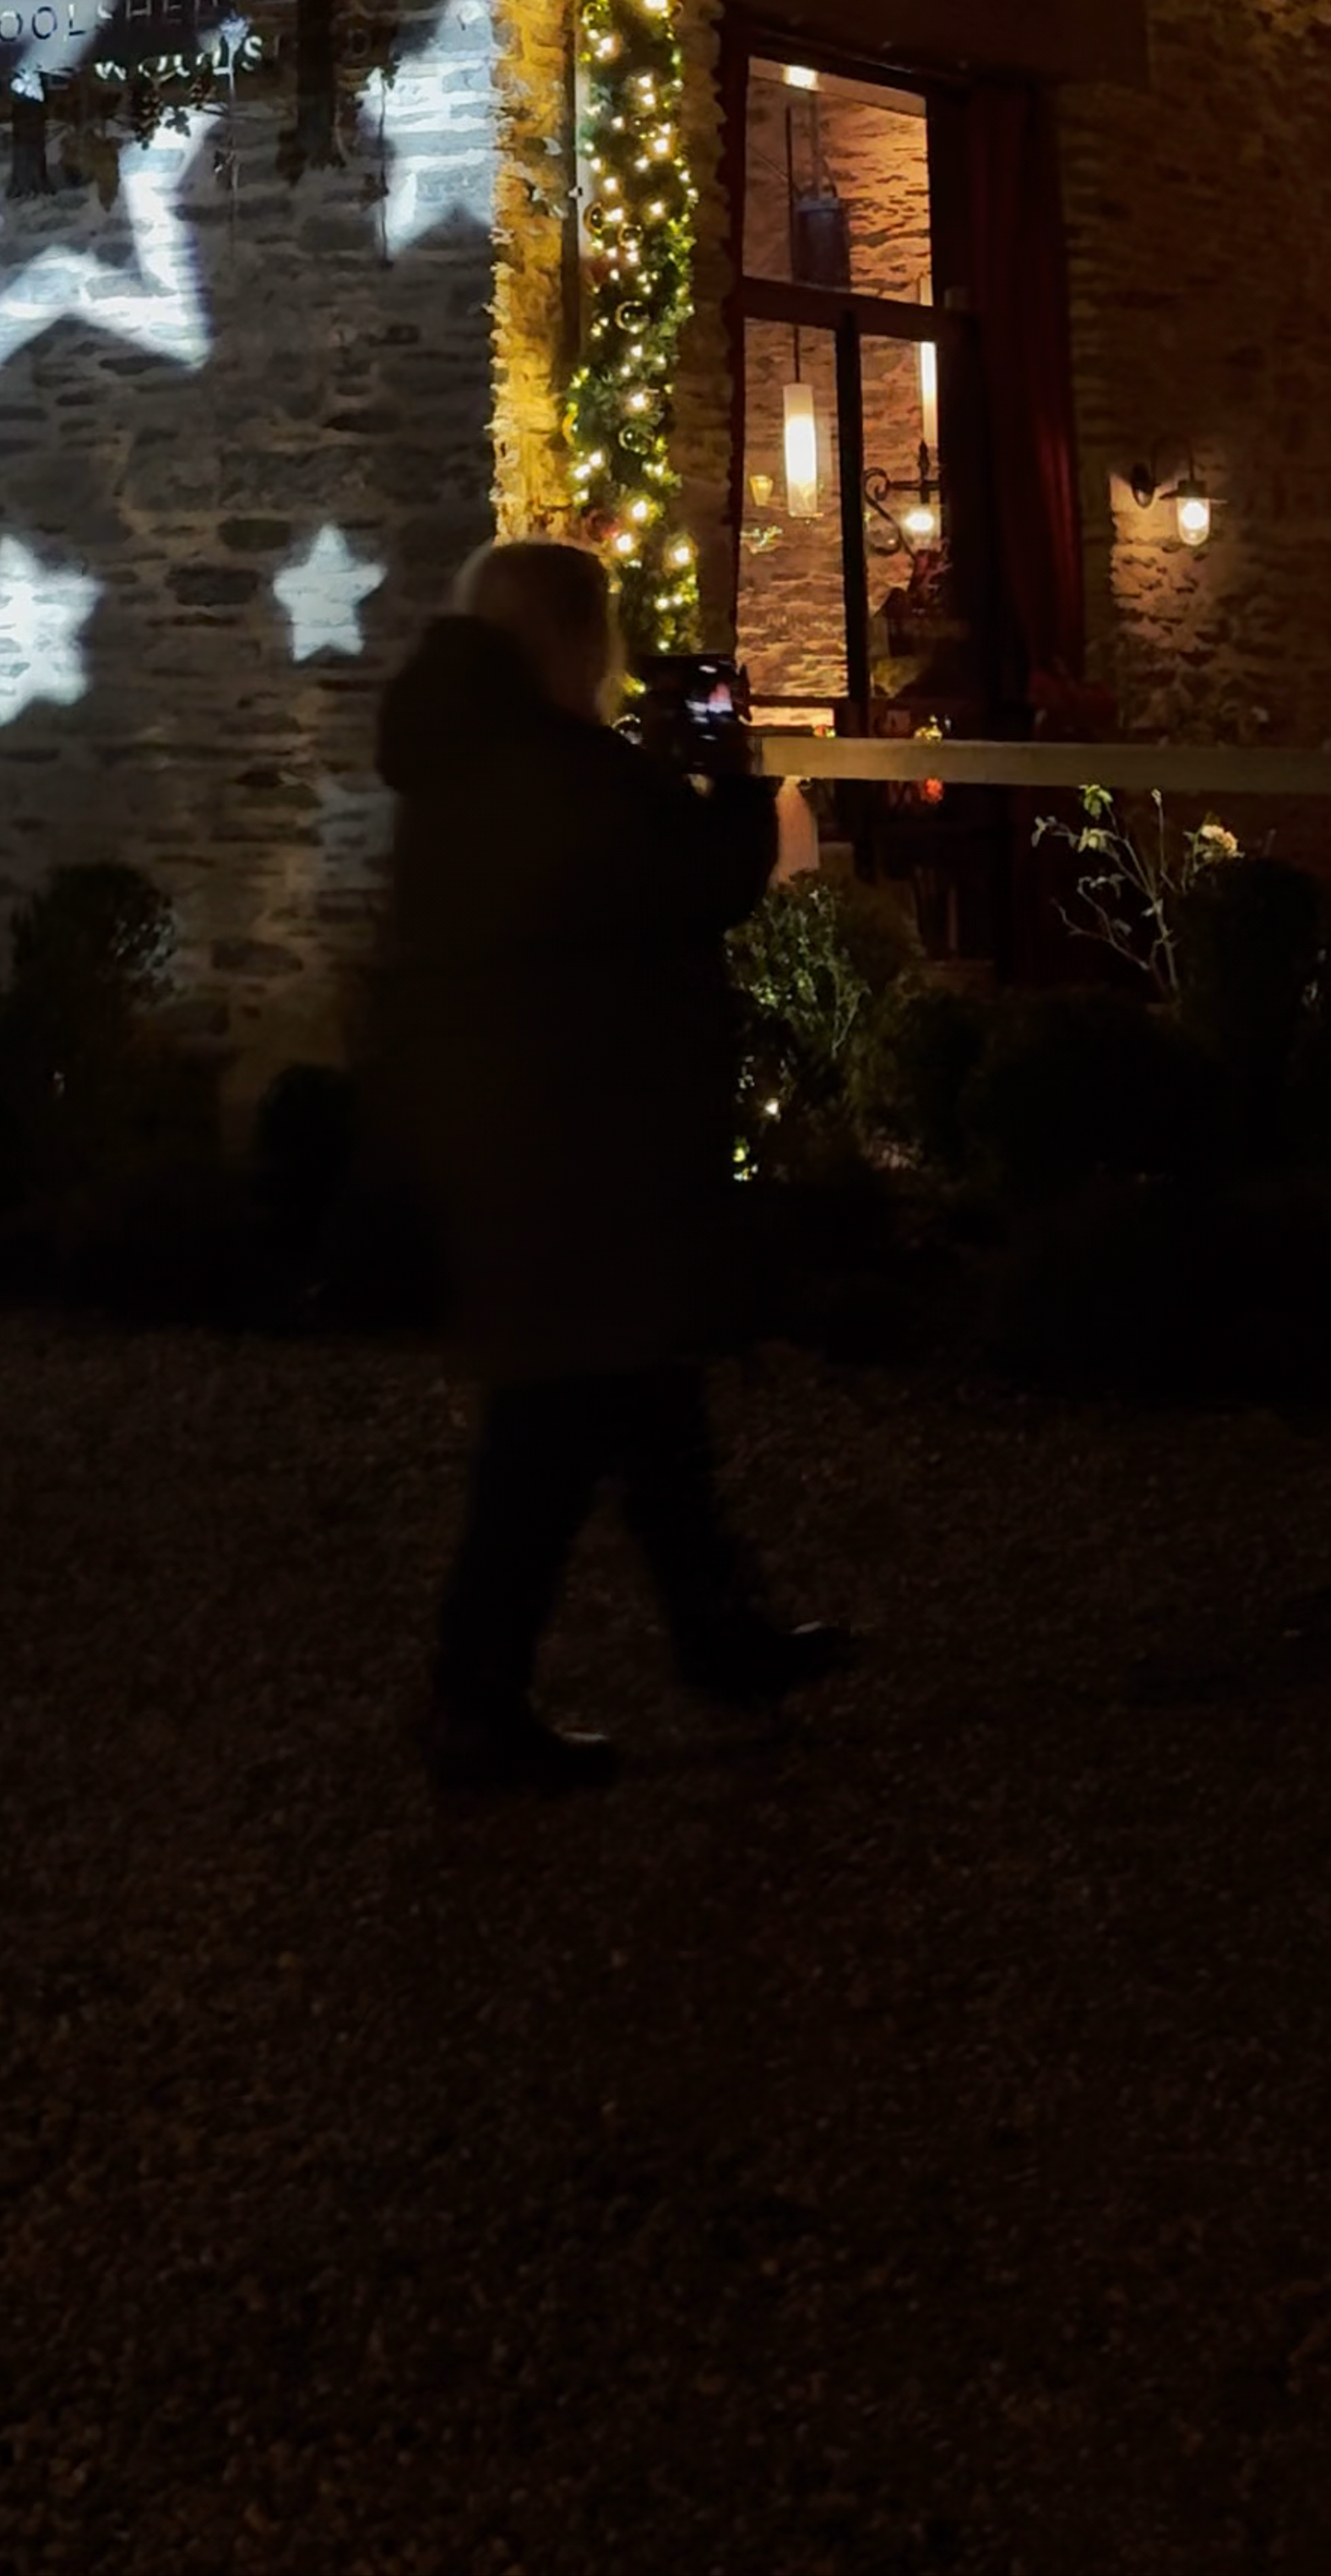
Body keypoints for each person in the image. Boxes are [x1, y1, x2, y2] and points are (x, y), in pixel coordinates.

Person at [373, 534, 856, 1796]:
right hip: (578, 1149)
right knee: (551, 1433)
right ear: (571, 637)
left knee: (645, 1403)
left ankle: (719, 1635)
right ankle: (476, 1705)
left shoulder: (461, 761)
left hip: (531, 1136)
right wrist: (731, 785)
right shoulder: (550, 772)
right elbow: (691, 882)